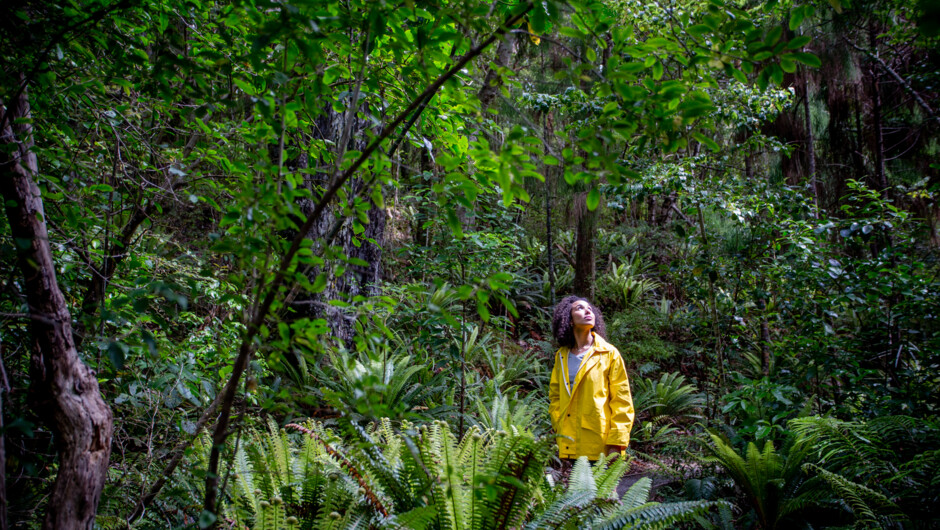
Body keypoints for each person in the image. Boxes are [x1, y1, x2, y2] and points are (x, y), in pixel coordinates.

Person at [548, 295, 634, 461]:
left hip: (601, 443)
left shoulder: (609, 353)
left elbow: (622, 401)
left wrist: (617, 443)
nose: (587, 310)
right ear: (570, 320)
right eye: (579, 308)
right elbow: (555, 397)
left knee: (604, 487)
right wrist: (560, 426)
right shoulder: (562, 356)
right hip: (571, 441)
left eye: (589, 308)